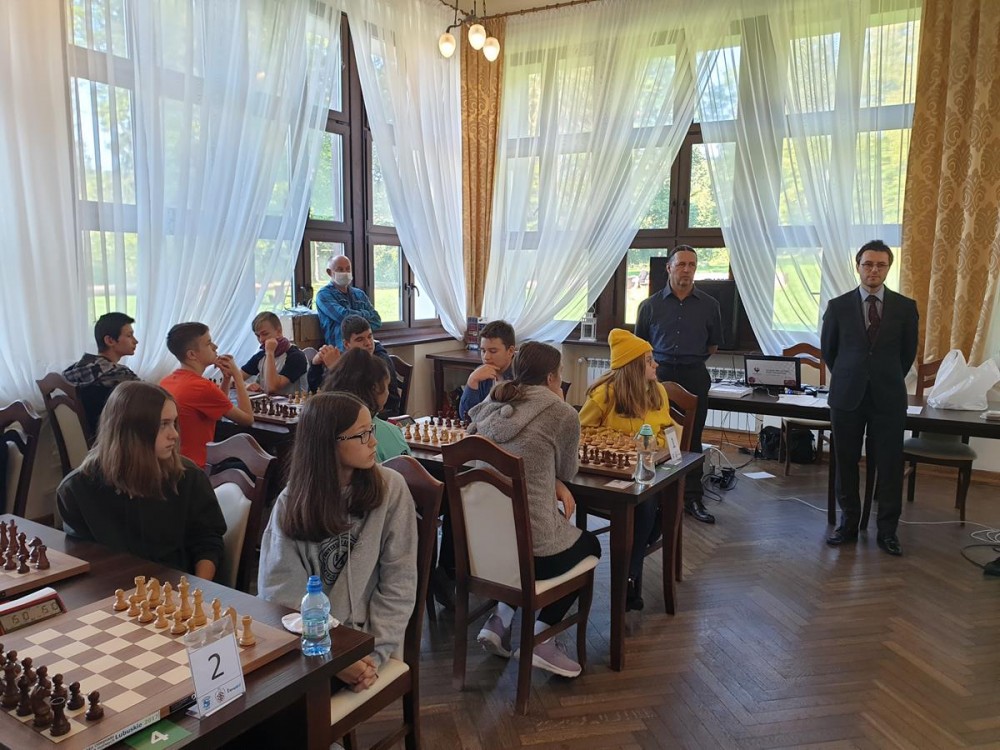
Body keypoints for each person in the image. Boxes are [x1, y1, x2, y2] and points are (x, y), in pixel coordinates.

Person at [257, 392, 417, 689]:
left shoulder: (391, 489)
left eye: (372, 430)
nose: (374, 441)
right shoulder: (291, 503)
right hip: (309, 646)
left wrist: (370, 655)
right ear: (327, 443)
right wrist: (328, 657)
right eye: (362, 434)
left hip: (368, 646)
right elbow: (279, 596)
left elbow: (399, 584)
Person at [467, 341, 601, 678]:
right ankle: (543, 637)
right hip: (535, 555)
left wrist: (547, 477)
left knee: (517, 543)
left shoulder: (493, 401)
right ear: (553, 377)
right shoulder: (561, 412)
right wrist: (556, 479)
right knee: (590, 544)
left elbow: (480, 450)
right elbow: (568, 471)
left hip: (484, 551)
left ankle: (500, 620)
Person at [57, 381, 226, 579]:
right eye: (163, 424)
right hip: (109, 589)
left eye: (174, 423)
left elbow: (208, 542)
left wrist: (194, 592)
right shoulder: (76, 490)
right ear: (131, 430)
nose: (174, 434)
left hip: (175, 588)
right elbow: (81, 558)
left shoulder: (188, 477)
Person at [821, 240, 918, 556]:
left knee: (890, 465)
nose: (873, 270)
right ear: (858, 266)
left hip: (888, 397)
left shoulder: (905, 307)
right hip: (846, 395)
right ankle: (848, 525)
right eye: (868, 264)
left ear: (888, 268)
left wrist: (882, 376)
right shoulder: (838, 306)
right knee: (845, 461)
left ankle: (887, 531)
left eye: (880, 265)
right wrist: (852, 375)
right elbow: (829, 351)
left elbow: (907, 354)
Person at [579, 328, 675, 611]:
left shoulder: (658, 391)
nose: (656, 364)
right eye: (649, 360)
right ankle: (630, 580)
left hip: (649, 469)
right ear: (633, 367)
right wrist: (618, 441)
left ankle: (629, 573)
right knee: (645, 506)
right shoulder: (605, 393)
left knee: (664, 504)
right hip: (610, 475)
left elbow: (667, 432)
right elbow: (581, 431)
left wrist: (652, 444)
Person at [635, 246, 722, 524]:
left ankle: (691, 496)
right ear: (669, 268)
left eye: (692, 265)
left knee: (692, 439)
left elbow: (713, 345)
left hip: (694, 375)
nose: (687, 269)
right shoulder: (649, 306)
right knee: (656, 434)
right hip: (658, 377)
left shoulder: (710, 305)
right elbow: (641, 346)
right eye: (681, 264)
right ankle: (654, 493)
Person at [160, 322, 254, 468]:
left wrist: (227, 379)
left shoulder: (166, 381)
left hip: (173, 463)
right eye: (209, 343)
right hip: (197, 467)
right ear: (192, 354)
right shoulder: (202, 387)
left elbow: (218, 408)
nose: (215, 347)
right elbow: (247, 419)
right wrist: (238, 376)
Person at [321, 348, 410, 463]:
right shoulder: (389, 432)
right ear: (375, 388)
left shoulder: (321, 424)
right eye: (387, 386)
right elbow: (408, 469)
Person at [63, 312, 141, 436]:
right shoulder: (121, 376)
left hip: (87, 440)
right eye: (129, 335)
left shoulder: (76, 371)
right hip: (109, 440)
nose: (135, 341)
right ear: (110, 340)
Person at [315, 254, 381, 350]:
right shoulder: (324, 295)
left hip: (367, 349)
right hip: (341, 351)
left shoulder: (359, 294)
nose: (345, 272)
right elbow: (343, 316)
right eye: (340, 270)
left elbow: (377, 320)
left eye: (348, 269)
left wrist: (356, 322)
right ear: (329, 272)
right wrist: (366, 314)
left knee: (383, 354)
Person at [339, 315, 400, 416]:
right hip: (356, 413)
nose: (368, 343)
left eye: (370, 336)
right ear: (346, 344)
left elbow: (363, 393)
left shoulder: (381, 360)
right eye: (360, 339)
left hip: (383, 414)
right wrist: (316, 365)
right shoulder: (347, 359)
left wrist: (333, 367)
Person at [458, 320, 516, 420]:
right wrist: (472, 381)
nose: (486, 357)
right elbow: (466, 417)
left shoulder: (522, 375)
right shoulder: (480, 374)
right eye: (483, 351)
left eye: (493, 351)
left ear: (510, 351)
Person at [240, 312, 308, 396]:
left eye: (265, 334)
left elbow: (272, 388)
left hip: (292, 403)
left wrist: (270, 353)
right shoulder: (260, 355)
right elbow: (234, 379)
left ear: (279, 331)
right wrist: (246, 385)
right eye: (257, 336)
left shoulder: (296, 356)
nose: (261, 340)